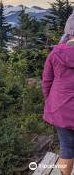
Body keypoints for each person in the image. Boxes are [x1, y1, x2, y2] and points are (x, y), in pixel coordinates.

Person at [42, 12, 74, 175]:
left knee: (67, 149)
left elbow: (46, 82)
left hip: (61, 109)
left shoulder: (55, 54)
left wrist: (51, 102)